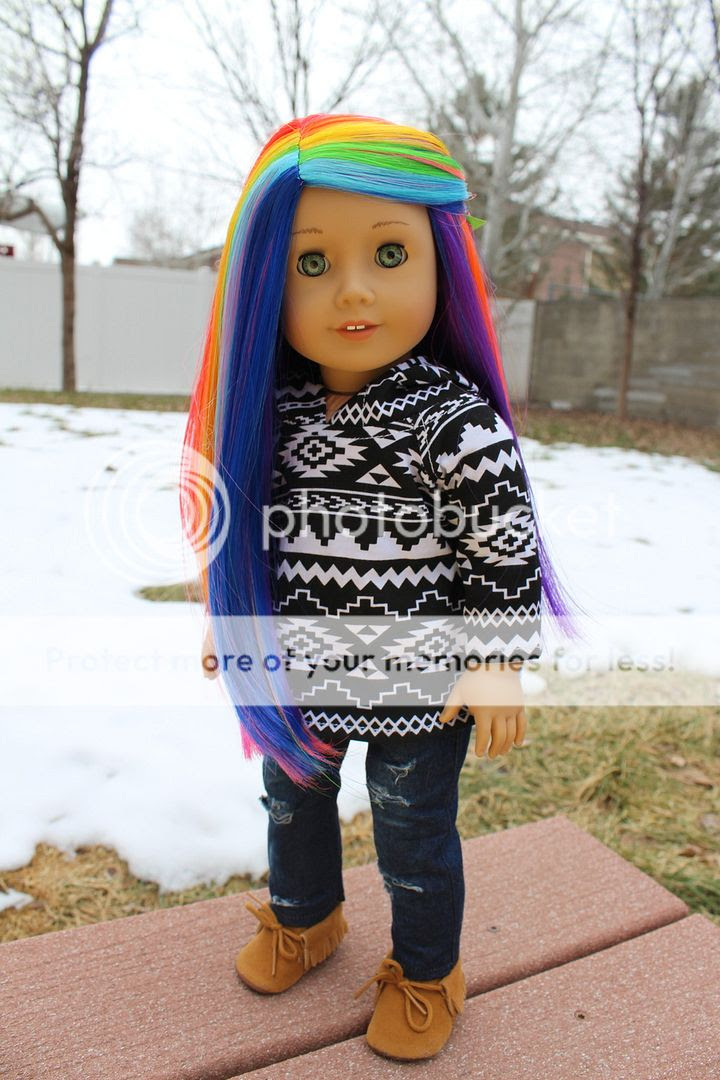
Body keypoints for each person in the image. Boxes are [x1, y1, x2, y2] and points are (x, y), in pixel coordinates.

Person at [181, 113, 581, 1062]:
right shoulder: (270, 410)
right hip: (301, 669)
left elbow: (500, 547)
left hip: (420, 685)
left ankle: (430, 970)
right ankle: (306, 916)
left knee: (412, 831)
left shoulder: (453, 421)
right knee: (292, 801)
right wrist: (231, 620)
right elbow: (255, 537)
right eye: (312, 264)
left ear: (443, 265)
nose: (353, 290)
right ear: (266, 281)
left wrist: (494, 658)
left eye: (390, 254)